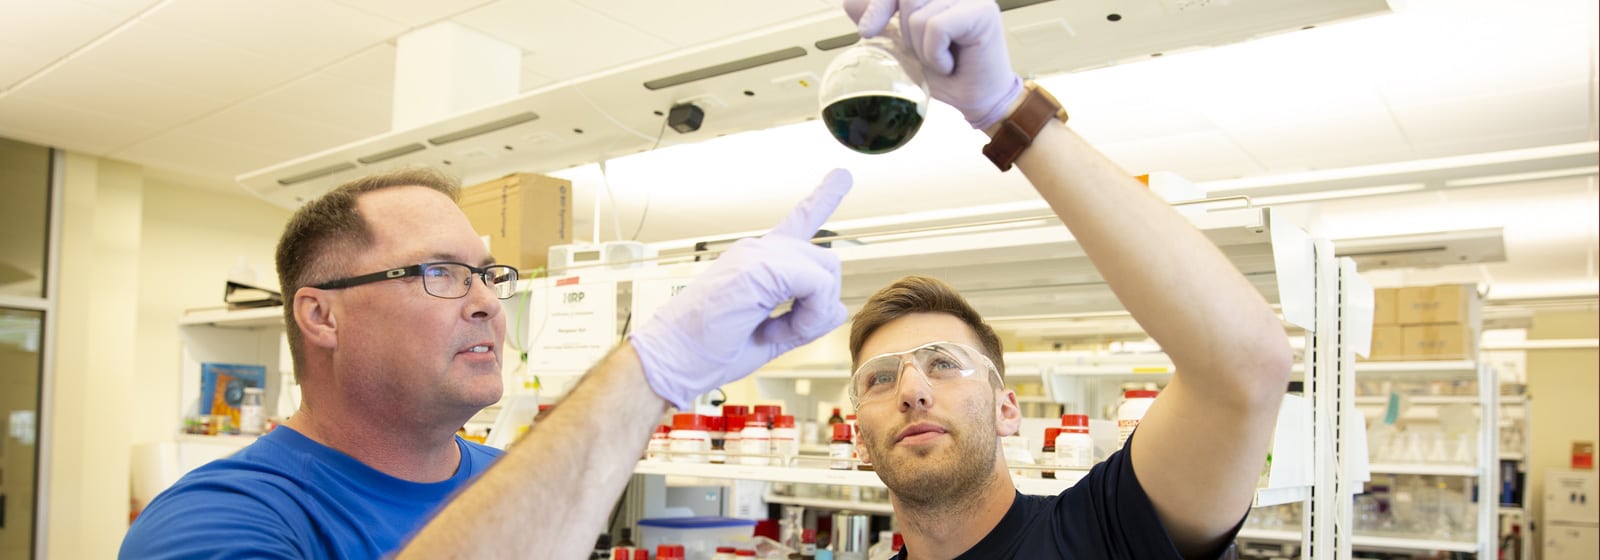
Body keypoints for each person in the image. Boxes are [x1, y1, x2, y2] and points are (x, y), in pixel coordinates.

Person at [120, 166, 855, 559]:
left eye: (488, 274)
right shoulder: (214, 520)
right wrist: (651, 367)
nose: (486, 304)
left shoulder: (509, 480)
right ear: (322, 315)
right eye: (439, 273)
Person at [840, 0, 1293, 559]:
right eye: (879, 379)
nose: (912, 390)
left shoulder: (1101, 530)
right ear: (858, 437)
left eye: (943, 363)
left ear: (1007, 410)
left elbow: (1245, 365)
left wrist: (1008, 111)